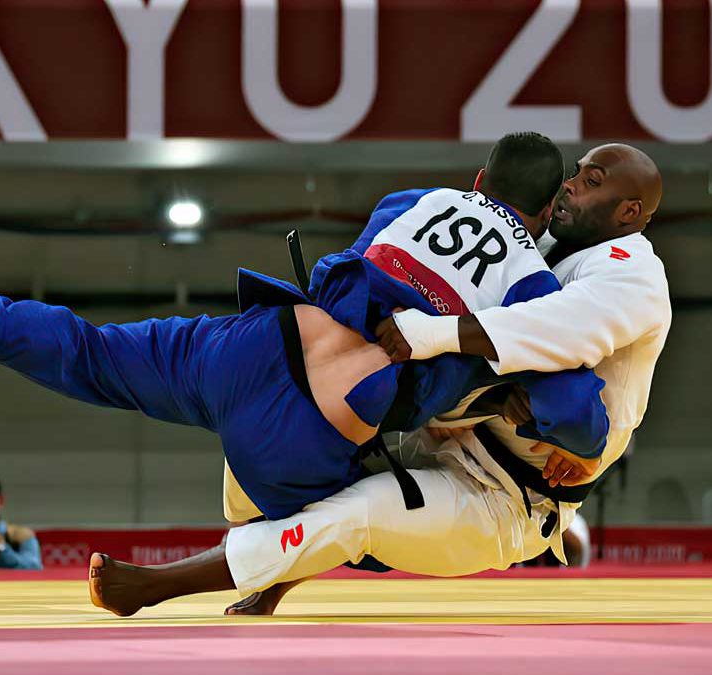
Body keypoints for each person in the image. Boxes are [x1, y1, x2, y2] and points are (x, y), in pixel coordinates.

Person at [0, 134, 609, 530]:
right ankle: (260, 550)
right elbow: (580, 412)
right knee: (371, 534)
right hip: (304, 437)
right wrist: (555, 425)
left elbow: (375, 276)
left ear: (478, 180)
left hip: (258, 339)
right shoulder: (533, 285)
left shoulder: (412, 200)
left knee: (97, 352)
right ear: (547, 216)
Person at [84, 143, 670, 617]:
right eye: (575, 175)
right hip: (446, 431)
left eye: (592, 182)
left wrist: (434, 336)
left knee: (359, 512)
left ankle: (157, 586)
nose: (570, 185)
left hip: (511, 494)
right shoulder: (538, 244)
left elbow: (558, 332)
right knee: (282, 414)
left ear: (630, 214)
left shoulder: (635, 275)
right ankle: (270, 572)